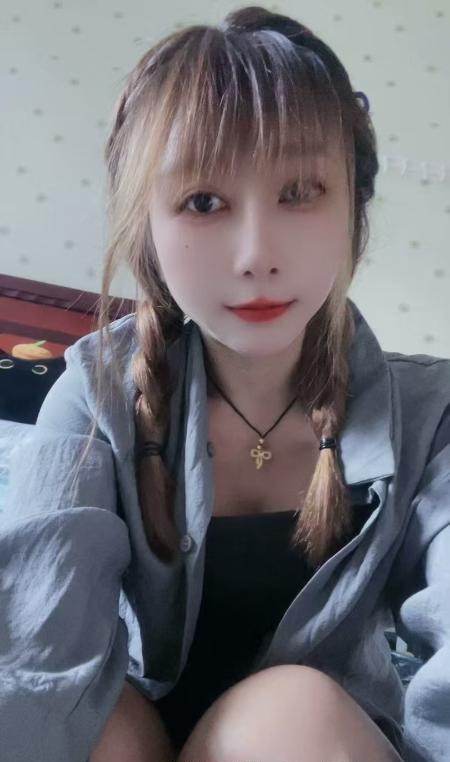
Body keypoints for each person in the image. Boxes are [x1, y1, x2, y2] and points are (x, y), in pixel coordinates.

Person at [1, 5, 449, 762]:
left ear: (353, 209)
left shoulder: (429, 413)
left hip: (315, 741)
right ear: (148, 226)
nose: (255, 255)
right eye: (203, 202)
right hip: (130, 733)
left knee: (290, 711)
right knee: (83, 721)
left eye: (299, 191)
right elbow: (35, 654)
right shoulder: (96, 391)